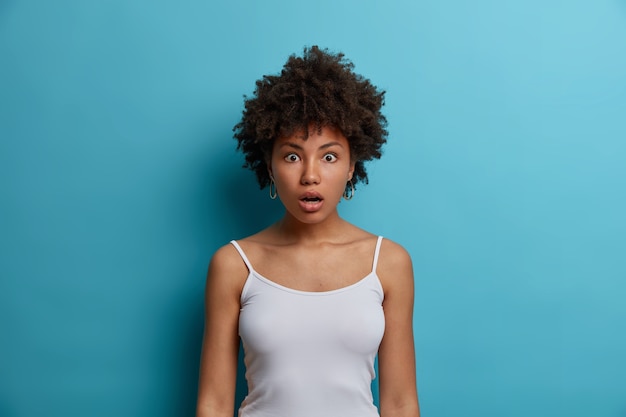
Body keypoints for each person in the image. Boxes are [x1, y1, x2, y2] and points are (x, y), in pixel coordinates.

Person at [196, 46, 420, 417]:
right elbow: (213, 404)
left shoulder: (388, 262)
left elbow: (400, 404)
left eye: (329, 156)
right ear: (269, 165)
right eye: (292, 156)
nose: (310, 175)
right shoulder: (233, 265)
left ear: (352, 166)